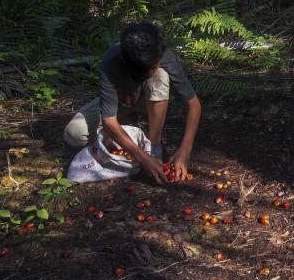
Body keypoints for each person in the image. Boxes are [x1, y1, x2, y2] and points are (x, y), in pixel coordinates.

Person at [64, 21, 201, 184]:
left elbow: (194, 104)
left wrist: (185, 149)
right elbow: (109, 120)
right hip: (120, 105)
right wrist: (141, 157)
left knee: (160, 77)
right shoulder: (110, 63)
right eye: (154, 65)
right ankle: (124, 131)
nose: (158, 63)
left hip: (148, 102)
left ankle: (153, 146)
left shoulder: (161, 54)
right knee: (74, 134)